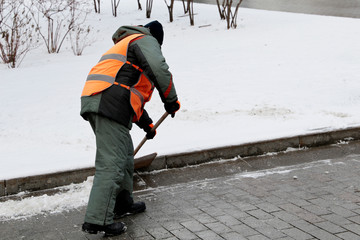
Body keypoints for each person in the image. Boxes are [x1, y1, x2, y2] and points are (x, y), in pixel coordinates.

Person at [80, 20, 180, 236]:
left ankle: (122, 203)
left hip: (105, 100)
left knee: (124, 155)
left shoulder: (128, 49)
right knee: (112, 162)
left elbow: (129, 93)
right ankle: (98, 219)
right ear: (156, 39)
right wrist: (171, 99)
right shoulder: (144, 39)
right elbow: (159, 69)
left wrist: (147, 125)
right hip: (106, 102)